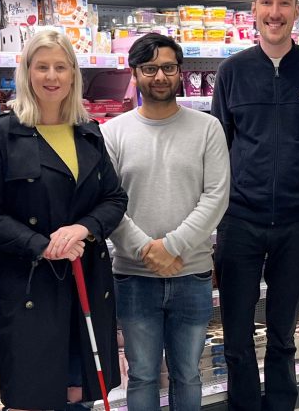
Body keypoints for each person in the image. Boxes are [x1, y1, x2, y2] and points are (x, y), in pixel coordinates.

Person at [0, 28, 127, 410]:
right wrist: (43, 245)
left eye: (60, 66)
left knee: (81, 389)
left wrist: (83, 229)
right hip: (31, 282)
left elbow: (114, 198)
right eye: (42, 67)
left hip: (86, 274)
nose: (51, 77)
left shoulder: (88, 133)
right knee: (36, 393)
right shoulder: (1, 133)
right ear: (26, 72)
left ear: (73, 74)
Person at [210, 0, 299, 411]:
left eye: (284, 3)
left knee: (284, 332)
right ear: (253, 10)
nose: (275, 12)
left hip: (296, 222)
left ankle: (282, 405)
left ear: (296, 11)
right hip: (239, 221)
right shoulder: (232, 71)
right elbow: (219, 142)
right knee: (236, 334)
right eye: (266, 2)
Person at [102, 33, 230, 411]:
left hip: (191, 274)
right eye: (150, 68)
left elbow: (216, 196)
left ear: (180, 72)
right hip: (133, 276)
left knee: (188, 372)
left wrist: (170, 247)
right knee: (140, 373)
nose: (160, 76)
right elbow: (108, 203)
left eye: (169, 68)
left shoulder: (207, 128)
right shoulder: (112, 133)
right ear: (135, 73)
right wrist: (146, 250)